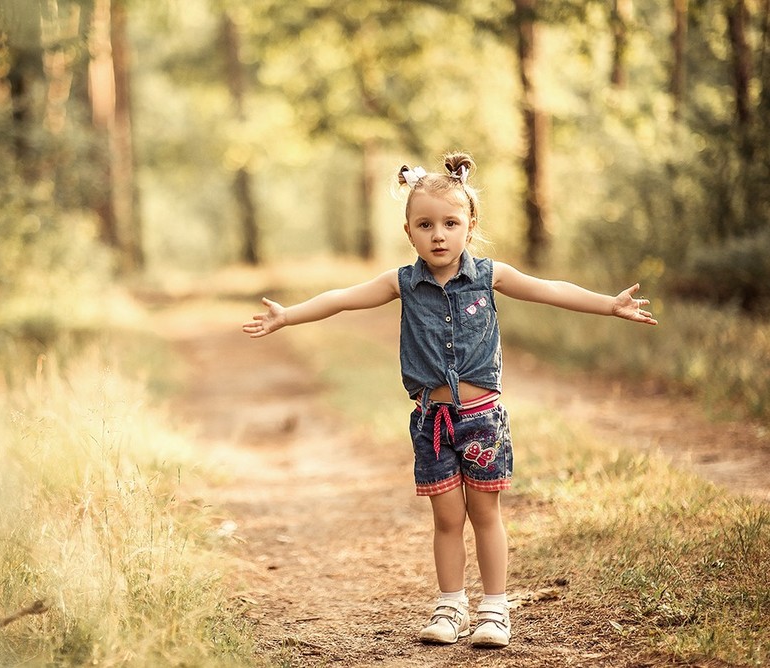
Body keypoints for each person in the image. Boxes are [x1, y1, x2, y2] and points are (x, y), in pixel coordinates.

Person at [241, 152, 658, 649]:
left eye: (450, 223)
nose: (438, 234)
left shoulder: (489, 275)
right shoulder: (403, 282)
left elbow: (549, 289)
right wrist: (289, 316)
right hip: (431, 420)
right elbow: (341, 298)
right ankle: (450, 605)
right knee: (446, 518)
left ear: (469, 225)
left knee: (485, 515)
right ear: (409, 232)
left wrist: (607, 305)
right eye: (426, 225)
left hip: (483, 421)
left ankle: (494, 610)